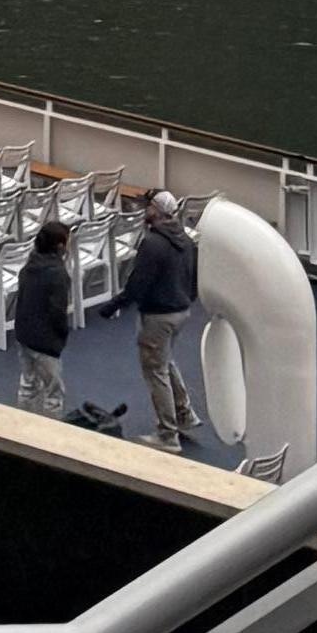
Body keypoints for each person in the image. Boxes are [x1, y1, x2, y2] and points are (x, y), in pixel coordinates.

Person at [120, 188, 202, 452]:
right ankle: (184, 414)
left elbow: (138, 283)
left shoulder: (153, 244)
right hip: (181, 310)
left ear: (156, 210)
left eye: (148, 207)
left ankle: (167, 436)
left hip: (158, 315)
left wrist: (115, 305)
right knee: (165, 361)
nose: (144, 211)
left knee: (155, 371)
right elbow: (194, 277)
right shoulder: (186, 241)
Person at [12, 208, 79, 413]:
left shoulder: (29, 266)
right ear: (60, 246)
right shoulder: (58, 275)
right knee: (53, 394)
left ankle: (20, 428)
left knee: (27, 385)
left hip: (24, 334)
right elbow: (58, 312)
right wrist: (61, 336)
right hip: (46, 342)